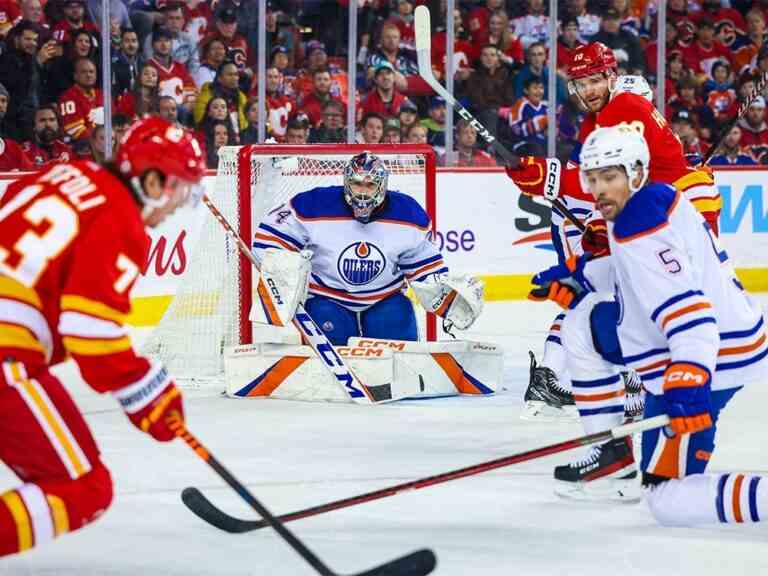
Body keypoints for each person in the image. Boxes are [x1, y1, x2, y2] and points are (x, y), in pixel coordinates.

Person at [505, 42, 720, 486]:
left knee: (646, 316)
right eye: (580, 83)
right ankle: (612, 448)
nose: (588, 89)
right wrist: (595, 245)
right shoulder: (603, 117)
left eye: (594, 80)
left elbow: (606, 178)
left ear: (611, 76)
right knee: (584, 323)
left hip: (668, 241)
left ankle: (659, 398)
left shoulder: (623, 107)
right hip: (652, 224)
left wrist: (547, 178)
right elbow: (608, 186)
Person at [533, 125, 768, 525]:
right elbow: (640, 268)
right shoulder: (651, 200)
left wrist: (690, 378)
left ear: (637, 172)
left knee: (667, 499)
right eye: (593, 179)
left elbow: (690, 313)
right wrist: (583, 275)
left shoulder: (638, 223)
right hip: (697, 339)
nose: (599, 189)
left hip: (711, 355)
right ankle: (611, 451)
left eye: (610, 177)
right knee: (583, 324)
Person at [0, 117, 205, 558]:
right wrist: (151, 397)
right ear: (151, 181)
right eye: (179, 190)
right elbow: (89, 332)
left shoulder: (62, 174)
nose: (175, 207)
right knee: (82, 487)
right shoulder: (120, 217)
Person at [251, 151, 483, 346]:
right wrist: (282, 270)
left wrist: (447, 297)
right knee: (327, 346)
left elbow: (423, 268)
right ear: (346, 182)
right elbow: (269, 237)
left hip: (384, 299)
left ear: (382, 185)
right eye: (356, 183)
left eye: (370, 185)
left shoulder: (408, 214)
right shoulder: (314, 204)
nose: (362, 191)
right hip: (328, 299)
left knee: (399, 347)